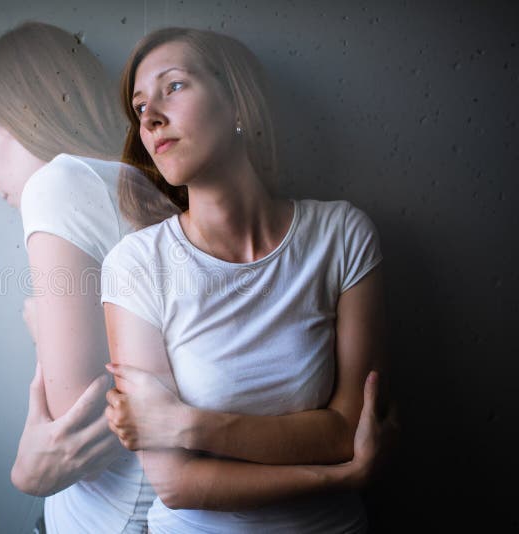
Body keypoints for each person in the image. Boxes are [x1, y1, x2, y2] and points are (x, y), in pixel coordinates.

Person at [100, 27, 391, 532]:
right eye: (140, 106)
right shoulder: (136, 265)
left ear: (237, 103)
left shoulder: (342, 235)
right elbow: (176, 483)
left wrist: (188, 424)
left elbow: (347, 431)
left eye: (173, 87)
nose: (149, 117)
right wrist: (339, 478)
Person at [0, 22, 177, 533]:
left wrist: (26, 475)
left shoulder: (57, 184)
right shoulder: (142, 186)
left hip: (106, 518)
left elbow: (77, 429)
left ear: (18, 114)